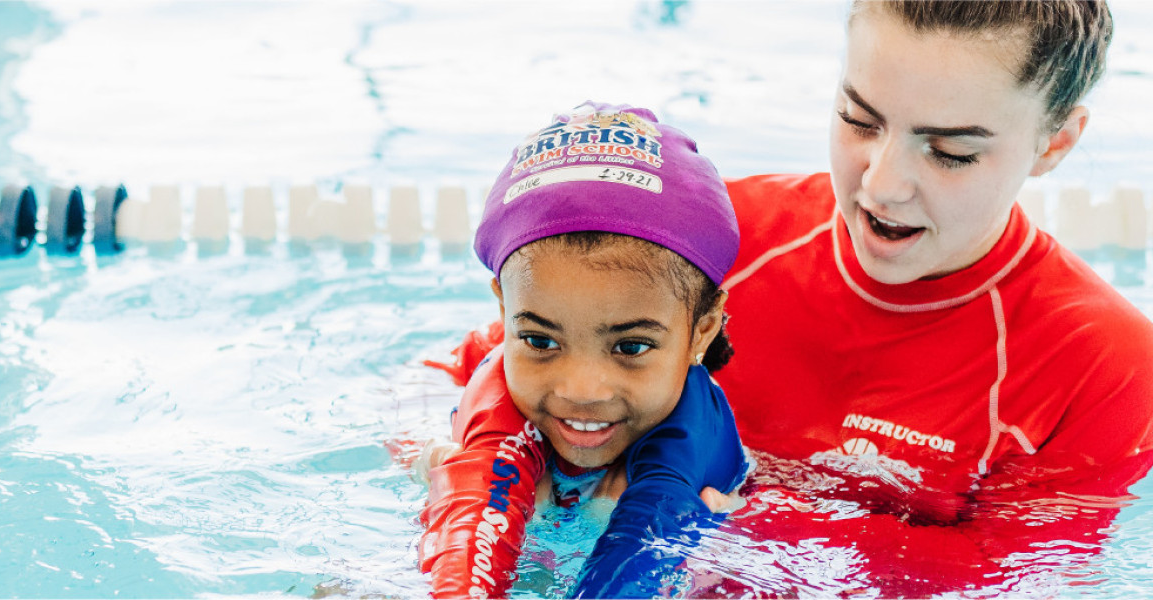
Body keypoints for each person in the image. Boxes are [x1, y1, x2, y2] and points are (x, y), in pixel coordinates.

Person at [678, 0, 1153, 595]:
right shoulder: (710, 243)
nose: (881, 185)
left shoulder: (1102, 364)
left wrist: (758, 524)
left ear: (1054, 143)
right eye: (859, 119)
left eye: (951, 152)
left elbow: (1007, 573)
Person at [417, 101, 749, 598]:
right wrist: (423, 457)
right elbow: (414, 383)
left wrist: (707, 565)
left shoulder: (710, 480)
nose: (582, 390)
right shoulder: (476, 364)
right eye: (540, 340)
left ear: (701, 329)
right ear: (504, 309)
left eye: (630, 346)